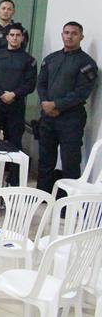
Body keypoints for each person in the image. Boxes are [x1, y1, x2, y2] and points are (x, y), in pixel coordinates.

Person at [36, 21, 98, 193]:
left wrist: (56, 104)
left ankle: (67, 203)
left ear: (81, 37)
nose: (69, 36)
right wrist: (45, 103)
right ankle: (42, 195)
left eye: (74, 33)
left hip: (71, 118)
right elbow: (41, 84)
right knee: (45, 160)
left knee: (70, 161)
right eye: (66, 32)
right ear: (62, 35)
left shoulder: (87, 63)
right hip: (48, 117)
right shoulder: (51, 59)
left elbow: (81, 92)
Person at [0, 23, 36, 185]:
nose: (15, 38)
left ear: (22, 38)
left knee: (15, 142)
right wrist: (1, 93)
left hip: (16, 104)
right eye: (12, 35)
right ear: (7, 37)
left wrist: (13, 94)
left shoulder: (29, 60)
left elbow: (30, 84)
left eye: (18, 35)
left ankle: (13, 181)